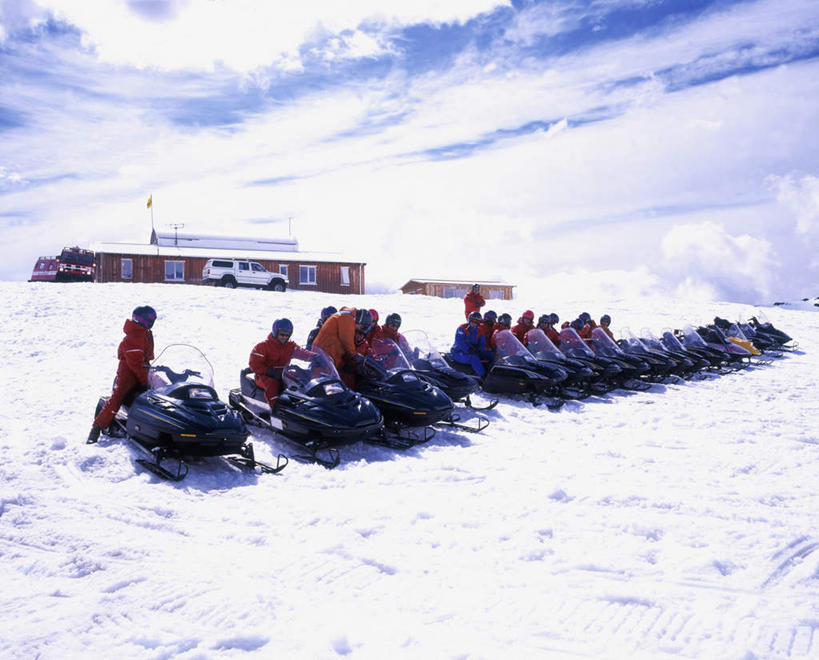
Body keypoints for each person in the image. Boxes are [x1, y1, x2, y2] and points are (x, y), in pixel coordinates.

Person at [87, 305, 157, 443]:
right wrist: (145, 381)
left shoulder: (144, 332)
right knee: (117, 397)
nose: (151, 322)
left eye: (152, 319)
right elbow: (135, 364)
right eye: (149, 319)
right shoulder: (134, 336)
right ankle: (95, 430)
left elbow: (143, 360)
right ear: (140, 319)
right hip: (128, 372)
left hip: (143, 367)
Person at [249, 318, 314, 407]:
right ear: (275, 333)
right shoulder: (262, 346)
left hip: (283, 373)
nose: (284, 337)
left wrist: (314, 357)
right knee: (272, 385)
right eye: (282, 334)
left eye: (287, 335)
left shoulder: (290, 345)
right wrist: (270, 372)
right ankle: (276, 411)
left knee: (302, 380)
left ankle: (308, 406)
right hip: (264, 375)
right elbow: (254, 364)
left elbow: (301, 352)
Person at [312, 307, 372, 373]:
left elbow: (340, 345)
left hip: (326, 354)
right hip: (324, 355)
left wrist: (342, 365)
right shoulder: (347, 318)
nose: (361, 329)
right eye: (363, 327)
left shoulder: (346, 315)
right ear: (360, 321)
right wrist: (355, 355)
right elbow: (346, 340)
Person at [450, 311, 494, 378]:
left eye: (477, 322)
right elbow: (460, 342)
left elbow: (482, 343)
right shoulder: (462, 328)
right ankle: (483, 376)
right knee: (473, 358)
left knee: (490, 354)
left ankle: (494, 372)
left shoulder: (480, 330)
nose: (474, 324)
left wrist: (479, 350)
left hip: (473, 351)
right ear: (469, 320)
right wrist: (469, 350)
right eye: (472, 321)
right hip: (458, 352)